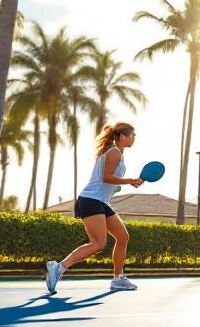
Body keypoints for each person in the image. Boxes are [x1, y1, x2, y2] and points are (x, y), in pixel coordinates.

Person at [45, 122, 144, 293]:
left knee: (123, 236)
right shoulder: (114, 152)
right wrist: (130, 180)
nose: (134, 138)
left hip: (100, 201)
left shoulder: (116, 152)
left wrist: (124, 184)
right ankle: (59, 267)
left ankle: (118, 279)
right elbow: (106, 177)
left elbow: (106, 181)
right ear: (122, 137)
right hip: (91, 200)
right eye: (132, 135)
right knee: (98, 243)